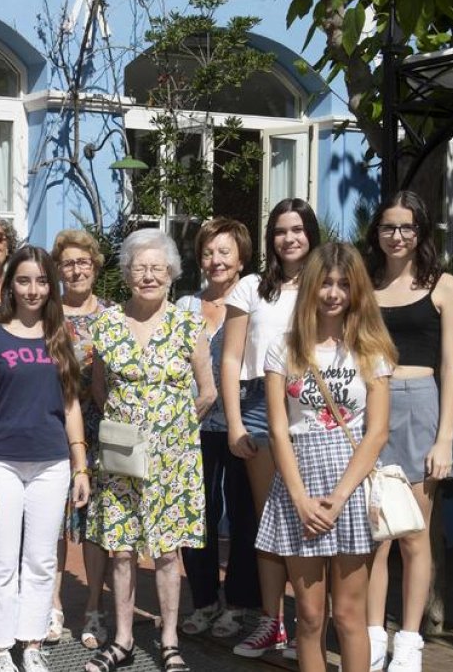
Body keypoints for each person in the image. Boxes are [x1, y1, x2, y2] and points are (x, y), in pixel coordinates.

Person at [257, 242, 396, 672]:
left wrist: (337, 499)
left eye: (344, 284)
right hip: (299, 483)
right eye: (326, 283)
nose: (334, 293)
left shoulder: (371, 348)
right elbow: (278, 428)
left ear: (357, 291)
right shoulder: (285, 348)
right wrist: (299, 499)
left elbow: (377, 432)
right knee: (311, 616)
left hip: (349, 488)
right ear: (311, 287)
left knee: (350, 616)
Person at [83, 229, 216, 672]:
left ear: (172, 274)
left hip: (173, 458)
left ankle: (169, 640)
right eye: (140, 268)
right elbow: (99, 389)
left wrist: (173, 430)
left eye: (157, 268)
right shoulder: (107, 324)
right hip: (121, 456)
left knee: (165, 551)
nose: (149, 275)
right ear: (126, 274)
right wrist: (131, 430)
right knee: (121, 549)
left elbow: (209, 391)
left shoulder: (187, 323)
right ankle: (121, 640)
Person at [0, 246, 92, 672]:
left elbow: (72, 405)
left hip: (51, 463)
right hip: (0, 462)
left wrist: (80, 465)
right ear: (10, 285)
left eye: (41, 280)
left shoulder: (62, 337)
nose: (33, 289)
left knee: (40, 560)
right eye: (24, 280)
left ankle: (31, 641)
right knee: (2, 559)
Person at [363, 191, 453, 672]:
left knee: (412, 534)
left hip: (422, 410)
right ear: (377, 232)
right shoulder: (364, 284)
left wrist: (444, 437)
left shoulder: (445, 286)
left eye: (406, 227)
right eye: (388, 227)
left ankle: (409, 642)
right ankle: (371, 638)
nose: (397, 235)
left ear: (421, 231)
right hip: (371, 410)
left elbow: (451, 364)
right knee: (372, 535)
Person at [221, 198, 320, 658]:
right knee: (270, 522)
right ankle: (272, 623)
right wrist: (235, 423)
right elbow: (230, 356)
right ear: (271, 238)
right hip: (259, 403)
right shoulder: (250, 287)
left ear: (310, 233)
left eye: (297, 229)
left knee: (313, 518)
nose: (289, 238)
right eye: (281, 230)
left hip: (312, 403)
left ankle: (310, 629)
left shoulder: (327, 283)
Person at [175, 218, 261, 638]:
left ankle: (240, 604)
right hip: (193, 426)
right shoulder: (186, 307)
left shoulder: (257, 301)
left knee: (244, 513)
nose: (215, 260)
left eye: (224, 252)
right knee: (198, 515)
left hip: (242, 423)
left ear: (241, 257)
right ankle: (205, 600)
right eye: (208, 252)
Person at [47, 229, 112, 649]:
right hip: (55, 425)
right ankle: (50, 607)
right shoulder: (47, 316)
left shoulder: (113, 316)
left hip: (103, 427)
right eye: (68, 262)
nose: (76, 269)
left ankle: (93, 609)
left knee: (97, 524)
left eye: (83, 261)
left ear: (94, 266)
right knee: (51, 521)